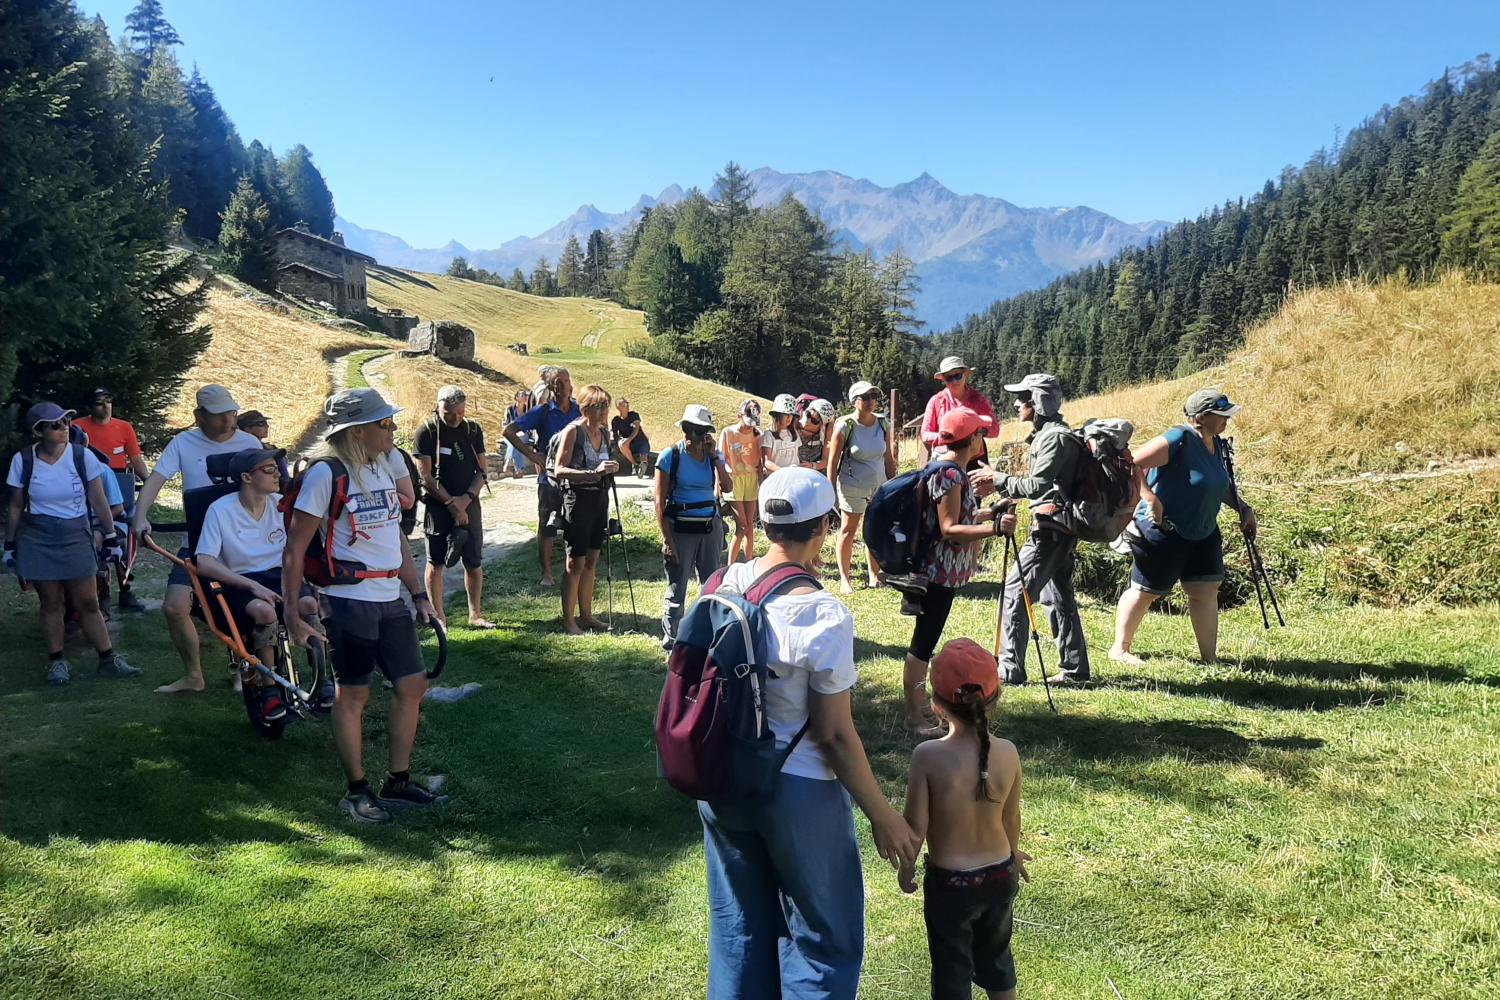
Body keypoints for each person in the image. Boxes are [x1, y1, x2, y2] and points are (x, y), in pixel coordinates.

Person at [697, 467, 921, 1000]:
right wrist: (885, 817)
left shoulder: (725, 583)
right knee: (823, 941)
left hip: (724, 778)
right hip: (797, 790)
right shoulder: (823, 614)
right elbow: (834, 736)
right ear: (822, 527)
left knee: (739, 933)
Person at [283, 388, 446, 825]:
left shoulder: (382, 467)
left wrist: (418, 596)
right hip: (349, 599)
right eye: (384, 423)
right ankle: (356, 792)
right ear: (357, 431)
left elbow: (394, 538)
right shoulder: (326, 474)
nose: (392, 429)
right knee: (353, 695)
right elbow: (295, 549)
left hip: (390, 596)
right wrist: (292, 613)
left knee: (412, 686)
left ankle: (398, 782)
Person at [900, 638, 1031, 1000]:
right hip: (1001, 874)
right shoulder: (1009, 753)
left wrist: (907, 867)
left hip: (951, 887)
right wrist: (1014, 853)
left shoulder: (927, 757)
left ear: (936, 705)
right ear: (995, 698)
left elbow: (915, 827)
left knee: (952, 971)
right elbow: (1012, 817)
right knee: (997, 959)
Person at [1109, 389, 1258, 666]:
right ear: (1201, 417)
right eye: (1221, 415)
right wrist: (1150, 498)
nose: (1228, 420)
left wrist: (1243, 508)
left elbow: (1218, 485)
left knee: (1205, 590)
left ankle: (1209, 658)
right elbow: (1131, 464)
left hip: (1203, 530)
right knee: (1146, 591)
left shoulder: (1217, 444)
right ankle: (1120, 648)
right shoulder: (1179, 438)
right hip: (1164, 529)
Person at [132, 384, 262, 694]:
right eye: (219, 416)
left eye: (231, 413)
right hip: (198, 540)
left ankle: (244, 669)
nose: (228, 421)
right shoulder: (184, 443)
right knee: (175, 606)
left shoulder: (249, 442)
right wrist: (140, 516)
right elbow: (156, 480)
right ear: (198, 416)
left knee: (240, 606)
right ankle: (193, 675)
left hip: (242, 541)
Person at [4, 402, 140, 686]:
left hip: (76, 533)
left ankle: (108, 658)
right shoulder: (23, 460)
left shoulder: (82, 457)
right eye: (55, 425)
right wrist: (9, 545)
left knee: (88, 600)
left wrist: (111, 536)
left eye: (66, 422)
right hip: (37, 535)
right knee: (51, 602)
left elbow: (99, 499)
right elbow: (16, 505)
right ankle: (57, 662)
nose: (64, 428)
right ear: (38, 431)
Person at [905, 408, 1010, 736]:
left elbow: (953, 518)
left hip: (938, 570)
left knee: (926, 640)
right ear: (973, 438)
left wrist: (988, 513)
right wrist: (994, 528)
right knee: (923, 644)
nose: (983, 438)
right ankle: (916, 716)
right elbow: (950, 529)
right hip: (937, 573)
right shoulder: (950, 475)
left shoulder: (951, 471)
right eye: (980, 433)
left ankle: (920, 710)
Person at [194, 446, 321, 720]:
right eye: (269, 469)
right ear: (246, 477)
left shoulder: (281, 504)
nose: (278, 474)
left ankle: (323, 679)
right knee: (264, 612)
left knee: (310, 603)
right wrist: (250, 585)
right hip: (241, 579)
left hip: (280, 573)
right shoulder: (220, 510)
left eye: (277, 468)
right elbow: (204, 561)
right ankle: (270, 691)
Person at [983, 373, 1090, 688]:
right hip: (1060, 525)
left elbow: (1038, 486)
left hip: (1051, 528)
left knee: (1017, 590)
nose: (1017, 404)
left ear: (1039, 402)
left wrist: (998, 479)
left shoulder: (1052, 438)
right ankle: (1075, 668)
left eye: (1023, 398)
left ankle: (1010, 668)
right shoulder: (1053, 434)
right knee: (1058, 596)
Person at [414, 384, 494, 629]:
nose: (455, 418)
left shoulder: (472, 429)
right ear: (438, 406)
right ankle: (439, 616)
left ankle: (475, 614)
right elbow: (425, 477)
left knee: (473, 560)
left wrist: (466, 500)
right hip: (439, 506)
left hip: (469, 502)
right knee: (436, 561)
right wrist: (450, 503)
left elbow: (482, 471)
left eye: (460, 413)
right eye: (449, 413)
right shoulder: (426, 432)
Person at [655, 404, 732, 650]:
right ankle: (673, 639)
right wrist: (667, 540)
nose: (695, 437)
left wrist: (716, 458)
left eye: (701, 432)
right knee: (678, 586)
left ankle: (705, 634)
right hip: (681, 528)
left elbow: (728, 487)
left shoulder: (711, 458)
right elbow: (659, 500)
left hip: (710, 527)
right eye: (691, 430)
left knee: (711, 584)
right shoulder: (671, 456)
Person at [502, 366, 580, 587]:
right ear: (552, 387)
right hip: (549, 480)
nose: (566, 385)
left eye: (567, 380)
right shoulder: (543, 412)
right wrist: (531, 455)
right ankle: (547, 573)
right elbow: (509, 430)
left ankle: (572, 570)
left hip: (574, 478)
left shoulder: (579, 410)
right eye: (561, 382)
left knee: (574, 526)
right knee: (547, 526)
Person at [552, 384, 619, 635]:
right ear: (587, 407)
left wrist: (609, 470)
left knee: (592, 559)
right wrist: (594, 473)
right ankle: (570, 621)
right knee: (575, 562)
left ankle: (587, 615)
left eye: (606, 406)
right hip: (577, 500)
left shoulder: (605, 433)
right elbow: (560, 470)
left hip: (599, 500)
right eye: (600, 406)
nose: (605, 411)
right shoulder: (573, 431)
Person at [74, 387, 148, 610]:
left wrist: (149, 482)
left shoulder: (124, 427)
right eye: (99, 403)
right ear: (90, 407)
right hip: (83, 479)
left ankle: (125, 587)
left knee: (125, 535)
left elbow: (135, 459)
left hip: (116, 482)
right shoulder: (77, 428)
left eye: (108, 401)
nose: (105, 406)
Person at [828, 380, 897, 594]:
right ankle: (845, 579)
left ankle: (874, 576)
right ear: (854, 401)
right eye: (865, 398)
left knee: (874, 530)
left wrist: (894, 483)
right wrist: (830, 490)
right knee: (849, 530)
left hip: (878, 486)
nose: (870, 402)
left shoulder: (883, 423)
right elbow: (833, 461)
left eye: (873, 397)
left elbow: (888, 458)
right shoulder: (845, 426)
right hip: (851, 486)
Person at [921, 357, 999, 467]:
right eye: (949, 378)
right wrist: (950, 438)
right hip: (945, 459)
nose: (954, 381)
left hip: (975, 460)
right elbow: (925, 435)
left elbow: (995, 430)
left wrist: (978, 433)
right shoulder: (936, 401)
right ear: (943, 379)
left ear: (965, 375)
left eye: (957, 375)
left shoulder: (979, 399)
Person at [721, 399, 766, 564]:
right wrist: (719, 484)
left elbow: (760, 463)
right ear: (739, 415)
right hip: (734, 480)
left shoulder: (758, 435)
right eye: (748, 422)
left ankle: (749, 563)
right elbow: (721, 458)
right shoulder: (728, 432)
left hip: (751, 480)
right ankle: (730, 566)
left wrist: (762, 485)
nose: (750, 426)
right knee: (742, 527)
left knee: (750, 528)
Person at [236, 410, 291, 484]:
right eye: (261, 424)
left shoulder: (270, 448)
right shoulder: (243, 449)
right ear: (247, 429)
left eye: (266, 423)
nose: (267, 426)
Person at [610, 397, 651, 477]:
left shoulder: (634, 415)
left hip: (641, 442)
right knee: (621, 444)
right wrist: (620, 440)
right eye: (625, 404)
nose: (628, 405)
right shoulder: (616, 420)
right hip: (629, 445)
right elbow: (615, 435)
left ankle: (642, 467)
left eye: (627, 403)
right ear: (619, 407)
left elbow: (636, 429)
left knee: (643, 459)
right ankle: (635, 464)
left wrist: (628, 440)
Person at [761, 393, 801, 474]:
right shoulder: (768, 435)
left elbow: (796, 456)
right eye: (785, 414)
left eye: (791, 415)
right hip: (777, 478)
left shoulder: (794, 434)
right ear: (777, 415)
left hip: (794, 476)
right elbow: (766, 462)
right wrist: (783, 472)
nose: (789, 417)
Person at [797, 397, 836, 474]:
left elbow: (827, 460)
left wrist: (812, 466)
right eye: (808, 414)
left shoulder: (826, 430)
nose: (808, 421)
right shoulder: (793, 422)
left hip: (814, 474)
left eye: (814, 421)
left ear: (822, 425)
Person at [502, 389, 535, 478]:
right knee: (516, 440)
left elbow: (531, 425)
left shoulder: (528, 410)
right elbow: (505, 424)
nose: (525, 397)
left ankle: (509, 462)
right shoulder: (510, 409)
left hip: (524, 434)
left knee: (517, 439)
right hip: (510, 434)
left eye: (526, 395)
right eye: (523, 395)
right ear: (516, 398)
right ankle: (519, 470)